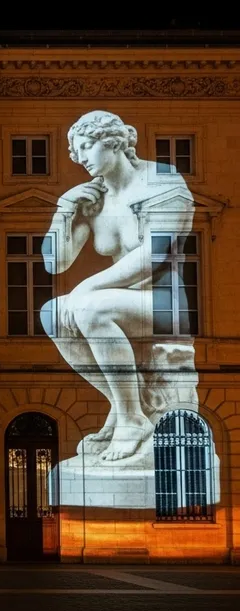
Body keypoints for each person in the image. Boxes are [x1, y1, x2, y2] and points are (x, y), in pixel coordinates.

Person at [42, 110, 194, 461]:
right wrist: (64, 210)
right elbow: (55, 263)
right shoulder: (96, 199)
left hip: (165, 304)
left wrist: (86, 290)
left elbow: (155, 255)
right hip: (120, 304)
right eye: (75, 152)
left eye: (86, 147)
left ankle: (130, 420)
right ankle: (125, 406)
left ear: (112, 142)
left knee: (87, 307)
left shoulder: (161, 180)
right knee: (52, 313)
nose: (80, 158)